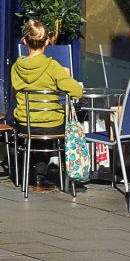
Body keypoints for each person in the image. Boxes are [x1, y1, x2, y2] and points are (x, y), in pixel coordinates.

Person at [11, 20, 83, 191]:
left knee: (32, 129)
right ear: (47, 42)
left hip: (25, 123)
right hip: (51, 123)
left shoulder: (16, 67)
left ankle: (28, 175)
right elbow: (77, 92)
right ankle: (40, 178)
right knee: (51, 125)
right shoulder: (52, 66)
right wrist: (67, 75)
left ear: (25, 41)